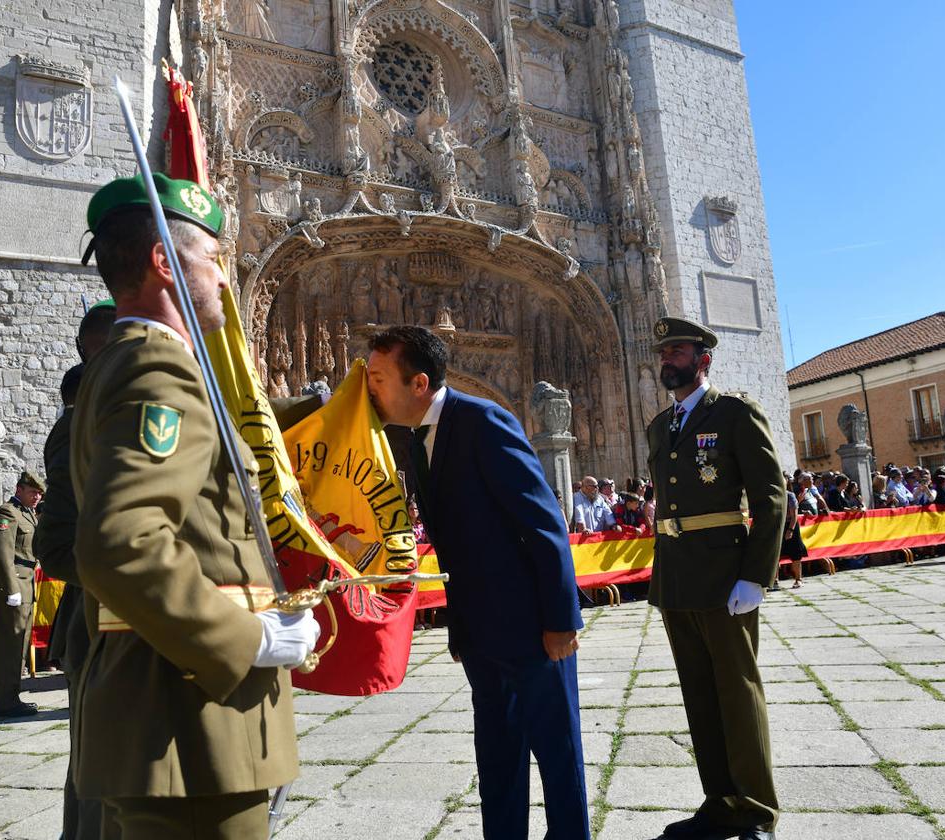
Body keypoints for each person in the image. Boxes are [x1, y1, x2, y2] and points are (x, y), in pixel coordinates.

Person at [70, 173, 319, 839]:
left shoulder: (127, 362)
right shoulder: (158, 368)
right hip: (188, 726)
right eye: (212, 258)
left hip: (175, 719)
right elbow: (122, 543)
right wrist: (250, 638)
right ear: (163, 263)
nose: (224, 278)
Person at [366, 325, 588, 840]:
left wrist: (560, 620)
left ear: (417, 383)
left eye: (378, 378)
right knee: (496, 755)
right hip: (482, 635)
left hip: (534, 630)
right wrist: (459, 629)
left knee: (557, 753)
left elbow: (543, 522)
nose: (370, 388)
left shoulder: (483, 420)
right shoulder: (418, 437)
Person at [646, 317, 785, 840]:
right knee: (698, 693)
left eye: (678, 351)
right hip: (678, 576)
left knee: (737, 690)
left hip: (727, 575)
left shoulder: (733, 412)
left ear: (703, 358)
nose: (668, 359)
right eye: (663, 352)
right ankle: (719, 802)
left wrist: (756, 576)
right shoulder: (661, 425)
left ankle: (755, 811)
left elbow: (772, 496)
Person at [32, 300, 116, 840]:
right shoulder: (78, 422)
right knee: (99, 774)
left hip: (129, 627)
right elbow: (57, 542)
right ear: (94, 349)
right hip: (100, 623)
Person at [0, 470, 45, 716]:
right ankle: (5, 701)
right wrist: (11, 588)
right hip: (15, 584)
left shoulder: (27, 514)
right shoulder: (7, 513)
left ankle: (10, 697)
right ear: (19, 489)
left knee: (20, 643)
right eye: (32, 491)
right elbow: (3, 554)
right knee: (9, 645)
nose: (36, 497)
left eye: (39, 493)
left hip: (27, 582)